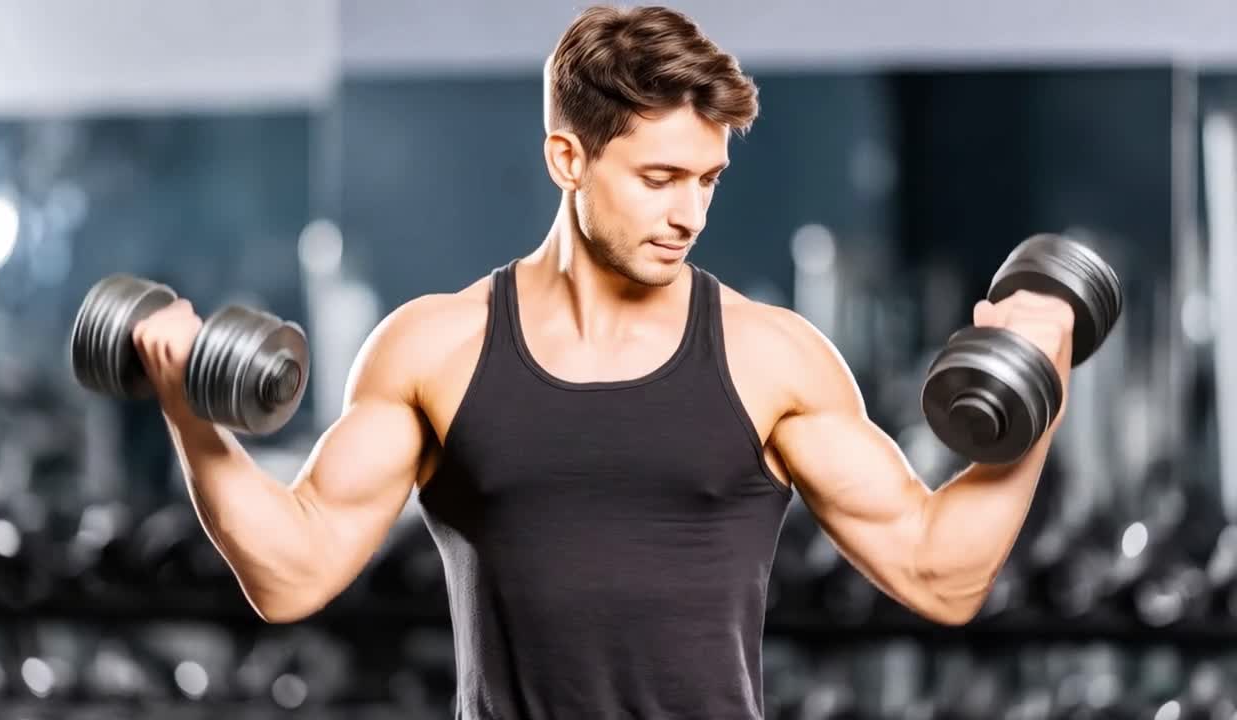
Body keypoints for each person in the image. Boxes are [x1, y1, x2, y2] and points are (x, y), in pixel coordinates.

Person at [132, 5, 1076, 719]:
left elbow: (940, 576)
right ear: (566, 160)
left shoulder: (770, 356)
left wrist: (1044, 386)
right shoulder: (436, 349)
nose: (689, 215)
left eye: (707, 179)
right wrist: (189, 412)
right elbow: (293, 574)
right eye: (658, 178)